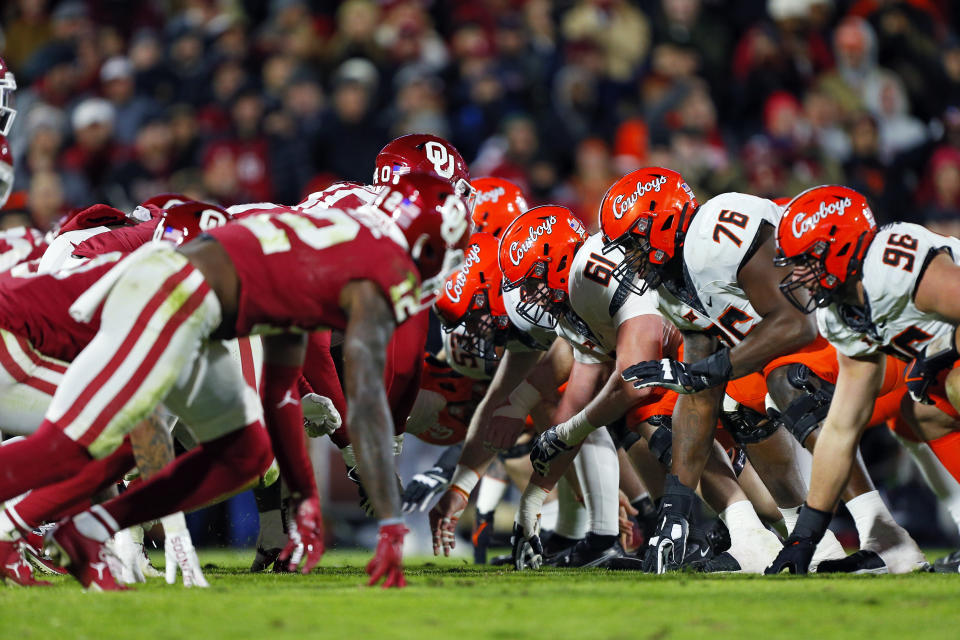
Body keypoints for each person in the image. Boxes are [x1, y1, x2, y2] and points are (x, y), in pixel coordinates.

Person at [0, 173, 470, 590]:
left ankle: (84, 529)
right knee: (89, 438)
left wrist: (305, 496)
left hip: (204, 311)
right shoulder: (372, 268)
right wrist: (389, 521)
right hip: (172, 294)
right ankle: (18, 523)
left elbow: (282, 381)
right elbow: (366, 398)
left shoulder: (333, 245)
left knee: (247, 453)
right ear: (424, 243)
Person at [602, 168, 924, 573]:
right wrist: (675, 508)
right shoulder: (672, 287)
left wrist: (713, 368)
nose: (628, 258)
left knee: (785, 379)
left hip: (888, 338)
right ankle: (814, 541)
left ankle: (882, 532)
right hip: (840, 350)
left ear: (663, 222)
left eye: (632, 242)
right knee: (735, 395)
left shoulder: (716, 230)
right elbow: (701, 391)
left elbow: (796, 321)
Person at [767, 184, 960, 574]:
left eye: (806, 261)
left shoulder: (893, 264)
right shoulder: (843, 311)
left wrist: (946, 354)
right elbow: (841, 428)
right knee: (921, 415)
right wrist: (806, 535)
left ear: (837, 246)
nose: (799, 275)